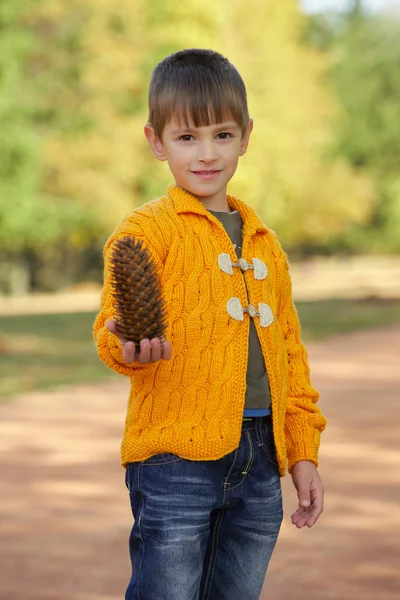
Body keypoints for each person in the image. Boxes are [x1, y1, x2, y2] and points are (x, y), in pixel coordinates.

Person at [93, 48, 328, 600]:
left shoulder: (264, 243)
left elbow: (291, 355)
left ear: (246, 135)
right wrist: (127, 347)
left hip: (261, 459)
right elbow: (111, 323)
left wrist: (303, 452)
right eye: (187, 137)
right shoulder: (147, 231)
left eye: (222, 136)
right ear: (156, 141)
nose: (206, 154)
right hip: (174, 459)